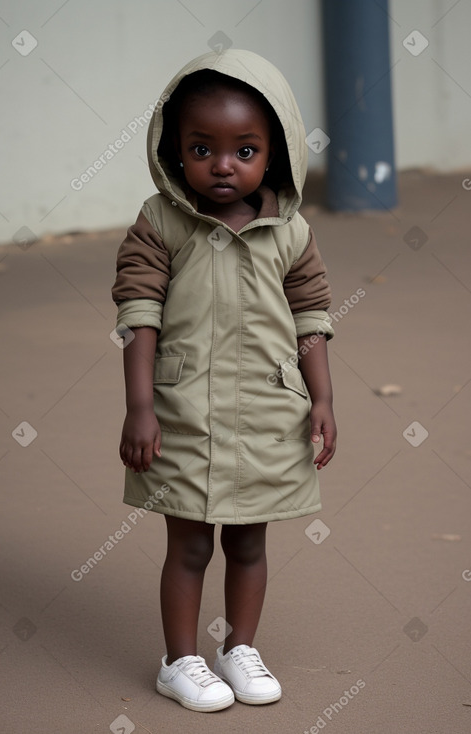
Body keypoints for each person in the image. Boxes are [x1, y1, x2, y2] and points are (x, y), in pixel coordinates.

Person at [112, 48, 336, 713]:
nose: (223, 163)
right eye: (201, 147)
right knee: (186, 544)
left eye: (245, 149)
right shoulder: (160, 222)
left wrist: (322, 397)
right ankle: (179, 661)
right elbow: (137, 312)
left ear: (276, 153)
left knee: (248, 539)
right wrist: (139, 407)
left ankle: (238, 648)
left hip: (268, 411)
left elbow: (312, 315)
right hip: (182, 413)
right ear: (174, 150)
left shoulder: (291, 233)